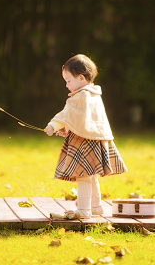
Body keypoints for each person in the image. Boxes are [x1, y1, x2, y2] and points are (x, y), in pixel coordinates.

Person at [44, 54, 128, 219]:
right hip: (96, 141)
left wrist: (53, 125)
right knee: (92, 175)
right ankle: (95, 207)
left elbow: (66, 114)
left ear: (81, 78)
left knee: (82, 176)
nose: (66, 84)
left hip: (83, 143)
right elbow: (84, 119)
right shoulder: (94, 94)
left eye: (68, 80)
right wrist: (68, 129)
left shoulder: (81, 96)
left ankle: (83, 210)